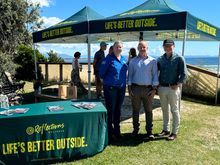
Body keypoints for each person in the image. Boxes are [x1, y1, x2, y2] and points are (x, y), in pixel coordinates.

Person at [128, 41, 159, 139]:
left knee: (149, 111)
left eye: (144, 47)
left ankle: (149, 131)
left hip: (148, 89)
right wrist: (129, 88)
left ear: (147, 48)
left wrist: (154, 89)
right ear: (137, 48)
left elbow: (155, 76)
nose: (142, 49)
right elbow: (130, 76)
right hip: (135, 88)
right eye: (140, 47)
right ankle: (135, 130)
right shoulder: (133, 61)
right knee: (135, 111)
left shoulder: (153, 61)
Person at [157, 39, 187, 140]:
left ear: (173, 46)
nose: (168, 47)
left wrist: (178, 84)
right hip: (162, 88)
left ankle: (174, 132)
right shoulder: (160, 59)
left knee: (174, 110)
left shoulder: (179, 58)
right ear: (163, 47)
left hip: (173, 88)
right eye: (166, 46)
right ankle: (166, 129)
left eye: (170, 45)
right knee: (164, 109)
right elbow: (156, 72)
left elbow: (184, 74)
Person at [99, 41, 128, 142]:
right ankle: (110, 133)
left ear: (122, 48)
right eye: (116, 47)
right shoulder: (108, 59)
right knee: (111, 111)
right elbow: (101, 74)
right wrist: (109, 82)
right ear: (113, 48)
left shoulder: (124, 59)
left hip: (121, 88)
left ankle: (117, 131)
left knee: (118, 110)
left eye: (120, 47)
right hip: (111, 89)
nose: (118, 48)